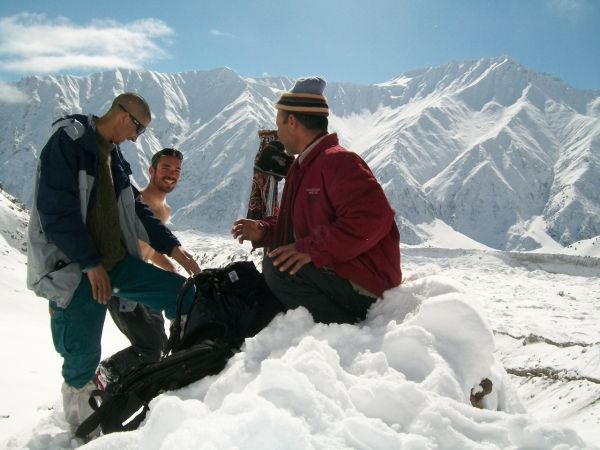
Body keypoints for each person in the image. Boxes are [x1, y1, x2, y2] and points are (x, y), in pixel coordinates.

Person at [26, 93, 200, 434]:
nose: (136, 138)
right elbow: (55, 212)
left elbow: (135, 208)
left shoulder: (113, 154)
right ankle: (84, 431)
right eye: (137, 128)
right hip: (75, 270)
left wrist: (175, 249)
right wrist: (92, 265)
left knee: (183, 295)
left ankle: (193, 370)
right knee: (81, 359)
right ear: (122, 116)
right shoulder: (69, 143)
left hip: (115, 264)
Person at [232, 77, 401, 324]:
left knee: (278, 269)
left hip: (366, 281)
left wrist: (313, 249)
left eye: (278, 124)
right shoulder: (304, 167)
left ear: (292, 122)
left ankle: (348, 330)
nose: (277, 132)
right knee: (275, 265)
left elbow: (373, 219)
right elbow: (298, 225)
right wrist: (264, 231)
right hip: (340, 271)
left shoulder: (338, 161)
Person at [100, 148, 186, 390]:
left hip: (149, 287)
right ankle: (103, 376)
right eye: (166, 168)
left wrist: (172, 270)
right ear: (151, 171)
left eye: (177, 170)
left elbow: (151, 250)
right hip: (126, 286)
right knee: (150, 347)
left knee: (159, 347)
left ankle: (128, 391)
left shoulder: (165, 210)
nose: (172, 174)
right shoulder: (136, 203)